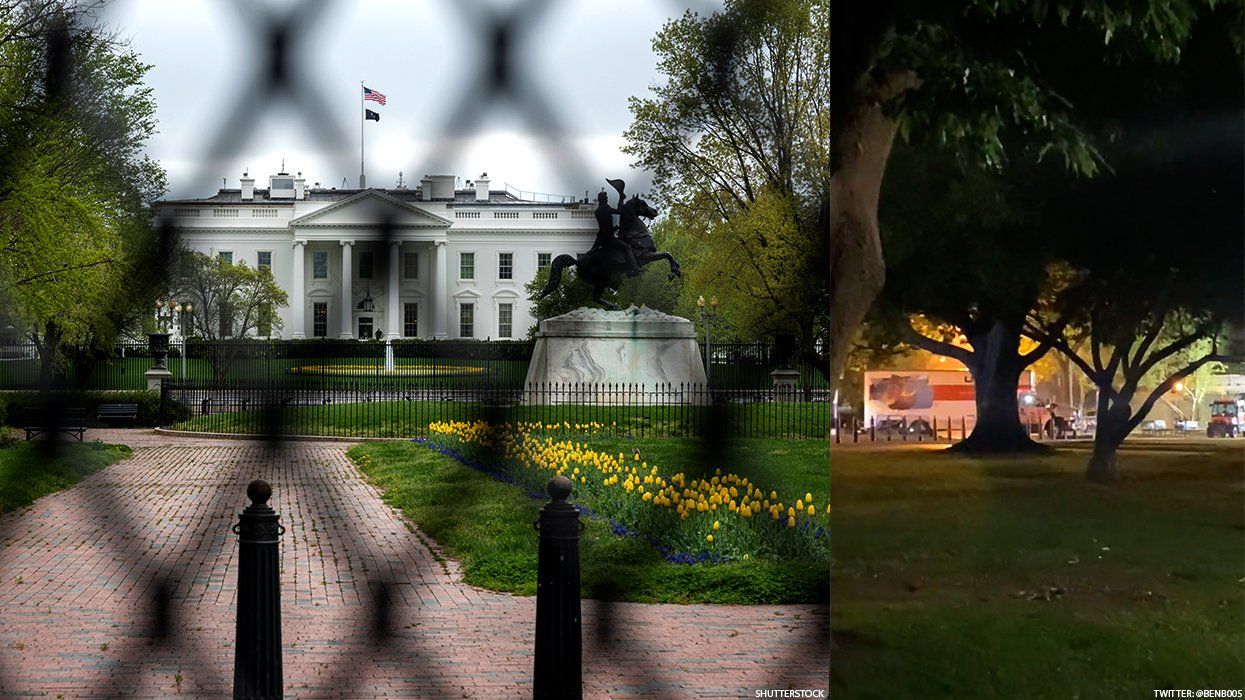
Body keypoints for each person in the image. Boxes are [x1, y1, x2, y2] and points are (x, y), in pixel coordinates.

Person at [591, 189, 642, 276]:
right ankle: (635, 268)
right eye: (606, 198)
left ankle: (628, 269)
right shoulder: (605, 209)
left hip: (603, 238)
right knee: (628, 248)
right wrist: (621, 199)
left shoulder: (599, 210)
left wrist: (614, 228)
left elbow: (605, 225)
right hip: (608, 238)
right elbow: (620, 211)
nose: (607, 199)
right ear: (602, 199)